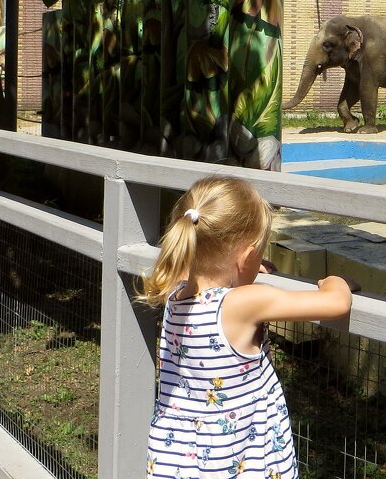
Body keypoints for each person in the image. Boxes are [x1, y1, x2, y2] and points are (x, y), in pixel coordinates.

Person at [138, 175, 356, 478]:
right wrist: (336, 281)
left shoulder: (175, 291)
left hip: (181, 457)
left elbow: (204, 266)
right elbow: (336, 303)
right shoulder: (246, 302)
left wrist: (246, 268)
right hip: (235, 456)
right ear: (247, 256)